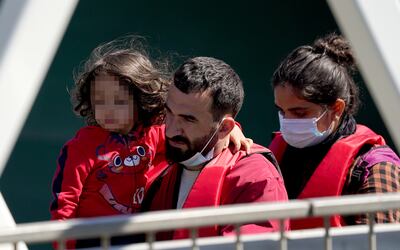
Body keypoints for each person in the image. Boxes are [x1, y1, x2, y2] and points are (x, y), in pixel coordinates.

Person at [50, 38, 249, 248]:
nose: (107, 109)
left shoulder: (155, 134)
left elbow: (200, 134)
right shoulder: (82, 145)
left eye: (118, 101)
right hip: (90, 239)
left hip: (136, 235)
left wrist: (233, 128)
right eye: (99, 101)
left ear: (140, 99)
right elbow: (65, 201)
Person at [143, 56, 289, 240]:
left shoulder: (255, 178)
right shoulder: (152, 153)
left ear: (225, 128)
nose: (171, 130)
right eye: (169, 112)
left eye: (188, 119)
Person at [269, 33, 400, 229]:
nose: (288, 121)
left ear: (337, 108)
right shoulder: (273, 156)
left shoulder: (374, 168)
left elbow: (381, 242)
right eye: (281, 111)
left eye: (299, 112)